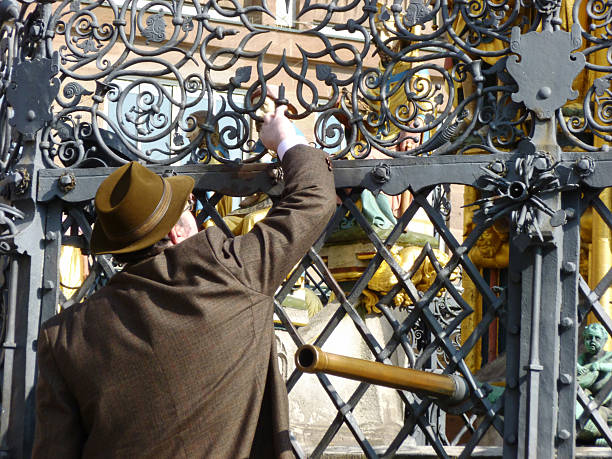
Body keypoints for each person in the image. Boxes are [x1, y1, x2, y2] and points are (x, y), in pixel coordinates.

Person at [32, 105, 336, 458]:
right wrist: (284, 137)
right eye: (188, 209)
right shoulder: (230, 272)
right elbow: (314, 197)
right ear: (177, 234)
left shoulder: (65, 337)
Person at [576, 323, 612, 445]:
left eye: (597, 338)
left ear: (604, 340)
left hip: (606, 405)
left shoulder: (609, 356)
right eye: (588, 338)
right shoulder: (584, 357)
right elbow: (576, 365)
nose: (592, 341)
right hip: (588, 400)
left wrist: (600, 366)